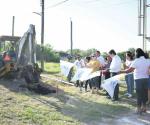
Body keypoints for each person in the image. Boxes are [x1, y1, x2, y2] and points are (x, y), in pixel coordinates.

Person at [120, 48, 150, 114]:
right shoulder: (148, 60)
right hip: (146, 79)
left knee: (139, 95)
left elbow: (129, 70)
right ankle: (144, 108)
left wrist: (120, 71)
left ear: (137, 53)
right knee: (145, 94)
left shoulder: (136, 61)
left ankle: (138, 109)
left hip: (138, 79)